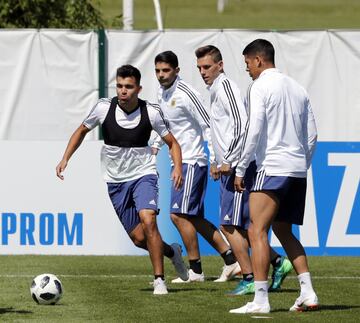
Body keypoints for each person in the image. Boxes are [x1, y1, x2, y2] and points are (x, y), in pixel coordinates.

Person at [56, 64, 189, 295]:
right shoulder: (103, 108)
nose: (123, 91)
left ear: (138, 88)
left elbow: (173, 143)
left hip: (143, 174)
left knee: (149, 221)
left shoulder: (152, 112)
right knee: (139, 239)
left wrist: (177, 167)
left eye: (128, 86)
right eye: (119, 86)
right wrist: (65, 158)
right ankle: (172, 252)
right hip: (115, 180)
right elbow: (81, 131)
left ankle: (159, 280)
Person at [229, 39, 319, 314]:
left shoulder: (260, 86)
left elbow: (254, 129)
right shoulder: (298, 87)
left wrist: (242, 168)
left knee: (256, 231)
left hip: (271, 168)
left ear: (258, 60)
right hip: (296, 171)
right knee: (283, 230)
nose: (247, 70)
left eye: (247, 64)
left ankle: (260, 299)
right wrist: (301, 165)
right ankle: (308, 292)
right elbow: (312, 135)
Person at [195, 45, 291, 295]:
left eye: (207, 67)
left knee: (229, 226)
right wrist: (216, 159)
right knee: (242, 227)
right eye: (200, 68)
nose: (203, 72)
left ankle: (250, 277)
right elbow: (218, 130)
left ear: (220, 65)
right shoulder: (214, 90)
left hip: (238, 167)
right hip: (230, 166)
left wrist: (229, 161)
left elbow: (241, 125)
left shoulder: (225, 87)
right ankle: (278, 262)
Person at [152, 50, 241, 283]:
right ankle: (231, 261)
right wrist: (153, 147)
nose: (161, 75)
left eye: (166, 71)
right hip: (180, 161)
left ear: (177, 71)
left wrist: (213, 158)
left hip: (192, 160)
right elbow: (163, 126)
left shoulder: (186, 93)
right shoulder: (161, 93)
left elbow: (207, 125)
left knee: (178, 215)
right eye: (157, 71)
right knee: (195, 217)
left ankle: (196, 271)